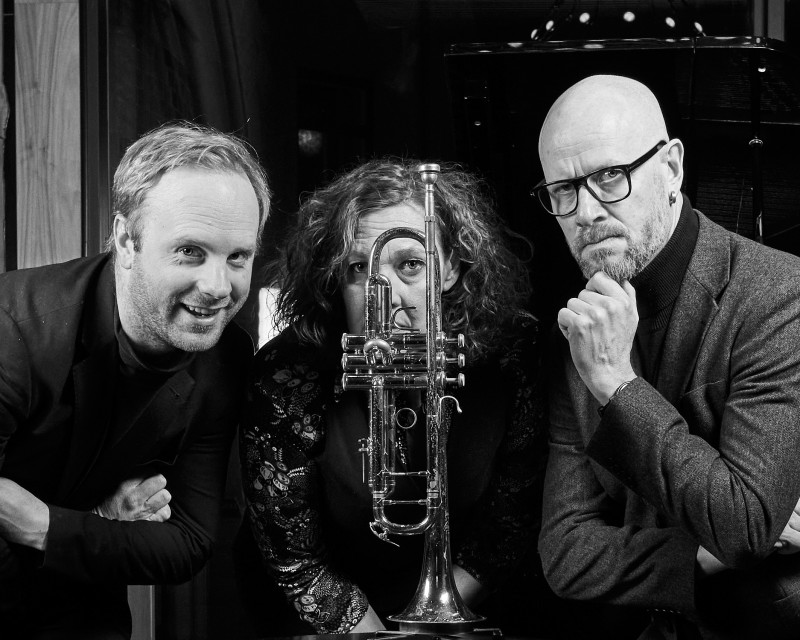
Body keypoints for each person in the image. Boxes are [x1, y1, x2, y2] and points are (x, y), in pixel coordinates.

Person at [535, 74, 800, 639]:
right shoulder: (579, 327)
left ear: (672, 168)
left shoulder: (780, 295)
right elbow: (565, 554)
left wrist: (615, 383)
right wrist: (698, 556)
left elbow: (744, 525)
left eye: (610, 176)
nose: (585, 211)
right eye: (563, 190)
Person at [239, 158, 548, 634]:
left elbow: (509, 526)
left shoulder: (511, 354)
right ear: (332, 278)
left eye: (410, 265)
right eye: (357, 269)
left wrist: (427, 627)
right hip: (326, 619)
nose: (385, 298)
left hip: (459, 611)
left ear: (450, 268)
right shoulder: (286, 372)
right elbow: (296, 560)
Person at [0, 121, 270, 639]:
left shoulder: (226, 354)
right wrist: (101, 525)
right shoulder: (13, 330)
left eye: (238, 256)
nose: (219, 287)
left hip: (87, 619)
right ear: (126, 240)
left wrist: (44, 525)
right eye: (190, 251)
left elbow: (188, 544)